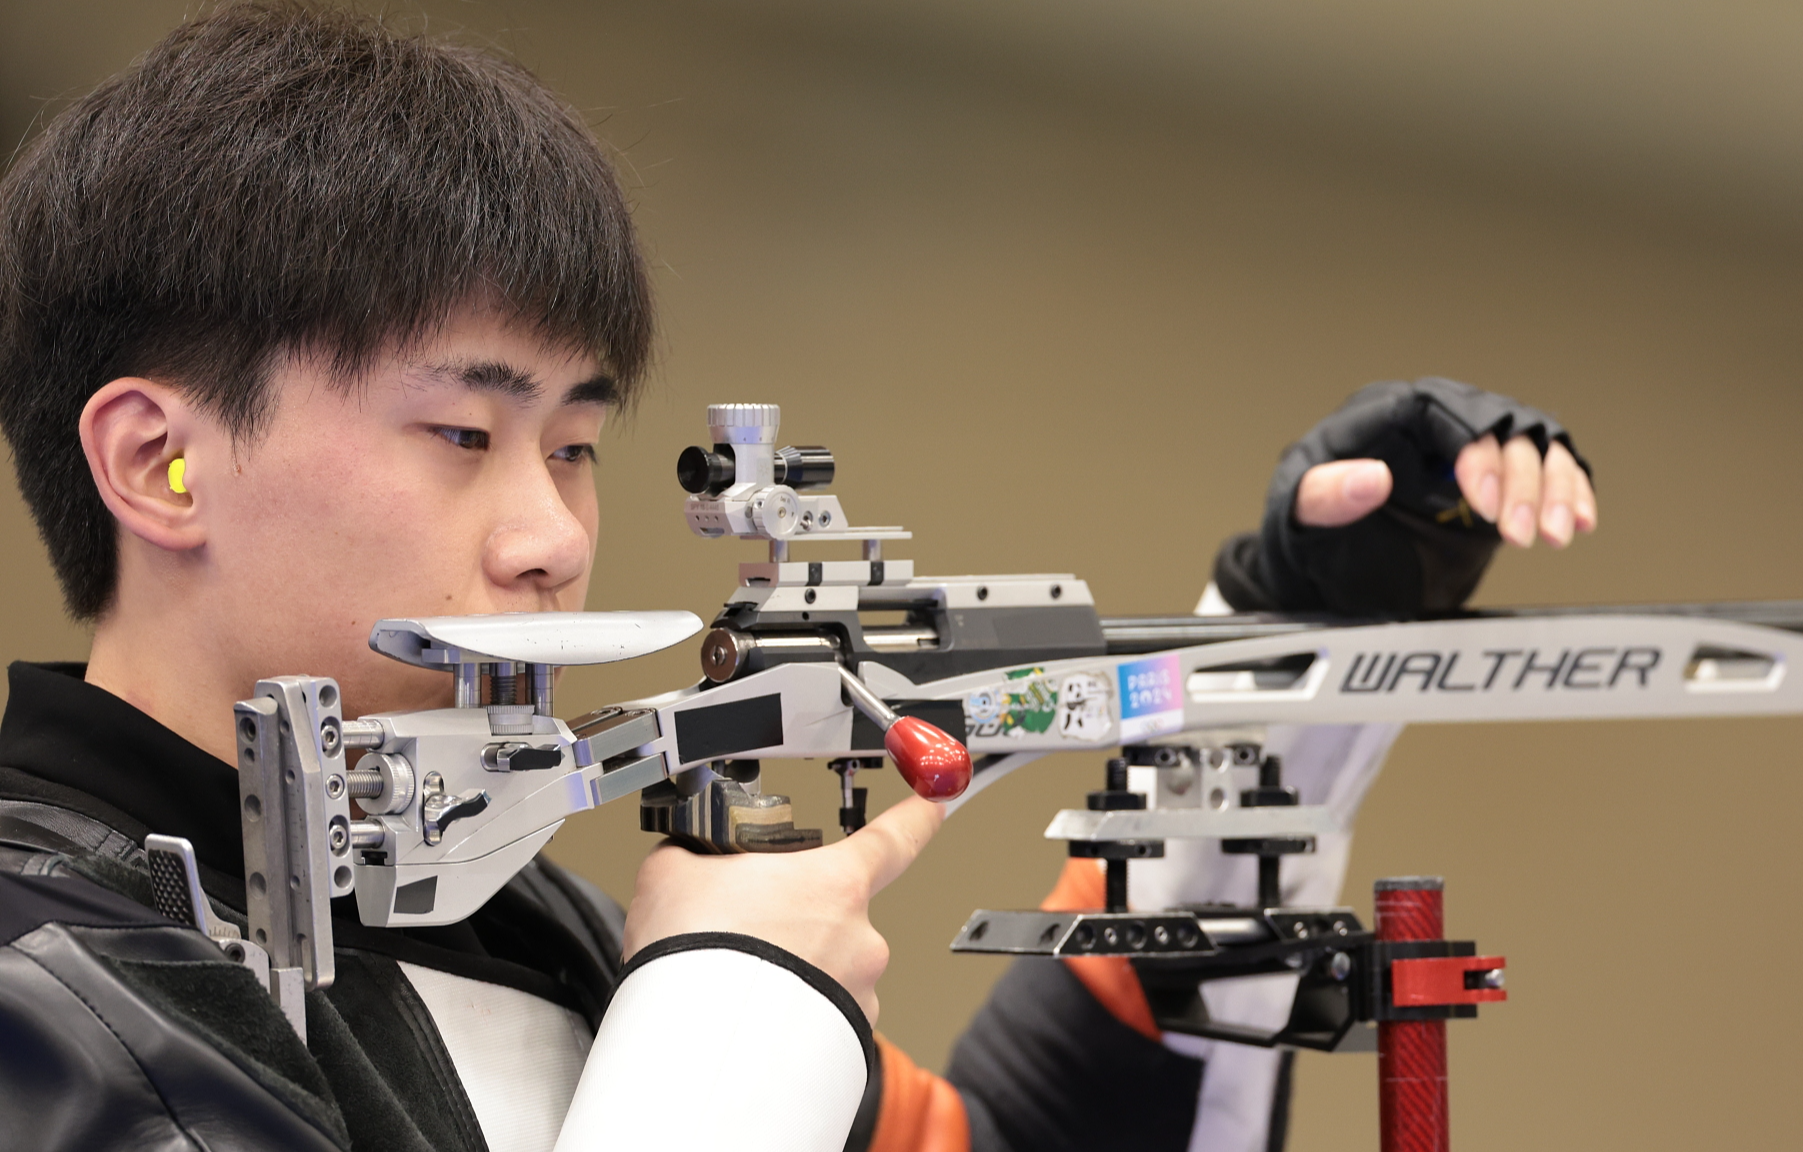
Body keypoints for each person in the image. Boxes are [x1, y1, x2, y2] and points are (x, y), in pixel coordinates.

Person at [0, 5, 1596, 1151]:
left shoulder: (547, 935)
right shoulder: (38, 983)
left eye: (575, 447)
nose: (552, 536)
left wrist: (1288, 637)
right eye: (462, 433)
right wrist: (730, 1003)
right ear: (159, 463)